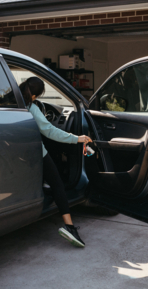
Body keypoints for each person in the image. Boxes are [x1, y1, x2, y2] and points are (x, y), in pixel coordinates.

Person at [19, 77, 92, 248]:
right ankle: (69, 226)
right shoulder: (32, 107)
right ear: (35, 96)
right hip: (35, 152)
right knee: (57, 184)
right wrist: (77, 138)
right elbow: (49, 131)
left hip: (16, 152)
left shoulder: (8, 102)